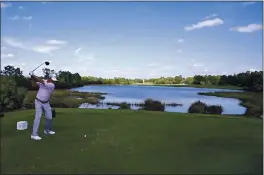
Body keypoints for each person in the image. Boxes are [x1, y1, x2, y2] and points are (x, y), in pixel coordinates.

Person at [29, 72, 58, 140]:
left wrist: (33, 75)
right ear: (49, 78)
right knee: (38, 117)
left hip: (46, 103)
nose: (53, 81)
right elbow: (34, 85)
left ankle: (47, 130)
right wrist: (32, 78)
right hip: (38, 101)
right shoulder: (43, 81)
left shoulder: (52, 85)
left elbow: (40, 81)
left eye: (54, 80)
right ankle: (34, 134)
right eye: (52, 79)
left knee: (49, 117)